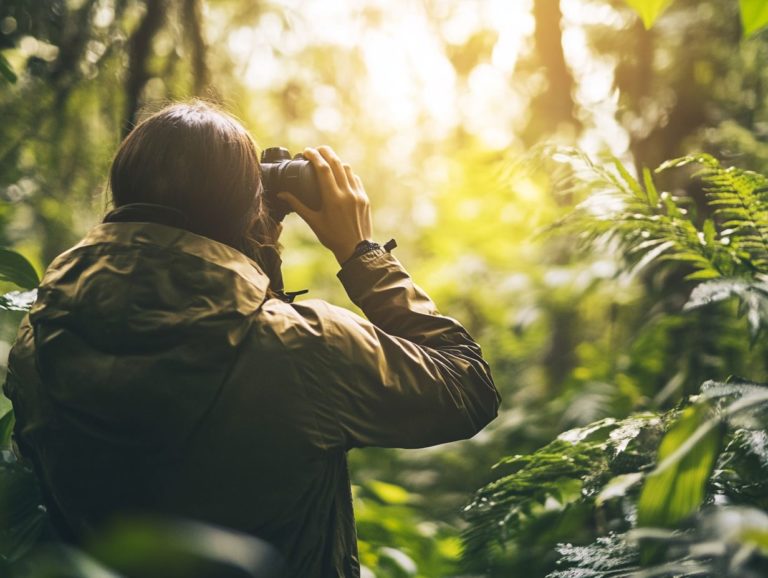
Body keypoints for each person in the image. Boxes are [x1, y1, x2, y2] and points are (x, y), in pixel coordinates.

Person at [4, 101, 501, 577]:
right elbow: (467, 385)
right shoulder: (304, 348)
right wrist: (361, 252)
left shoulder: (41, 337)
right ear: (248, 205)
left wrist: (252, 247)